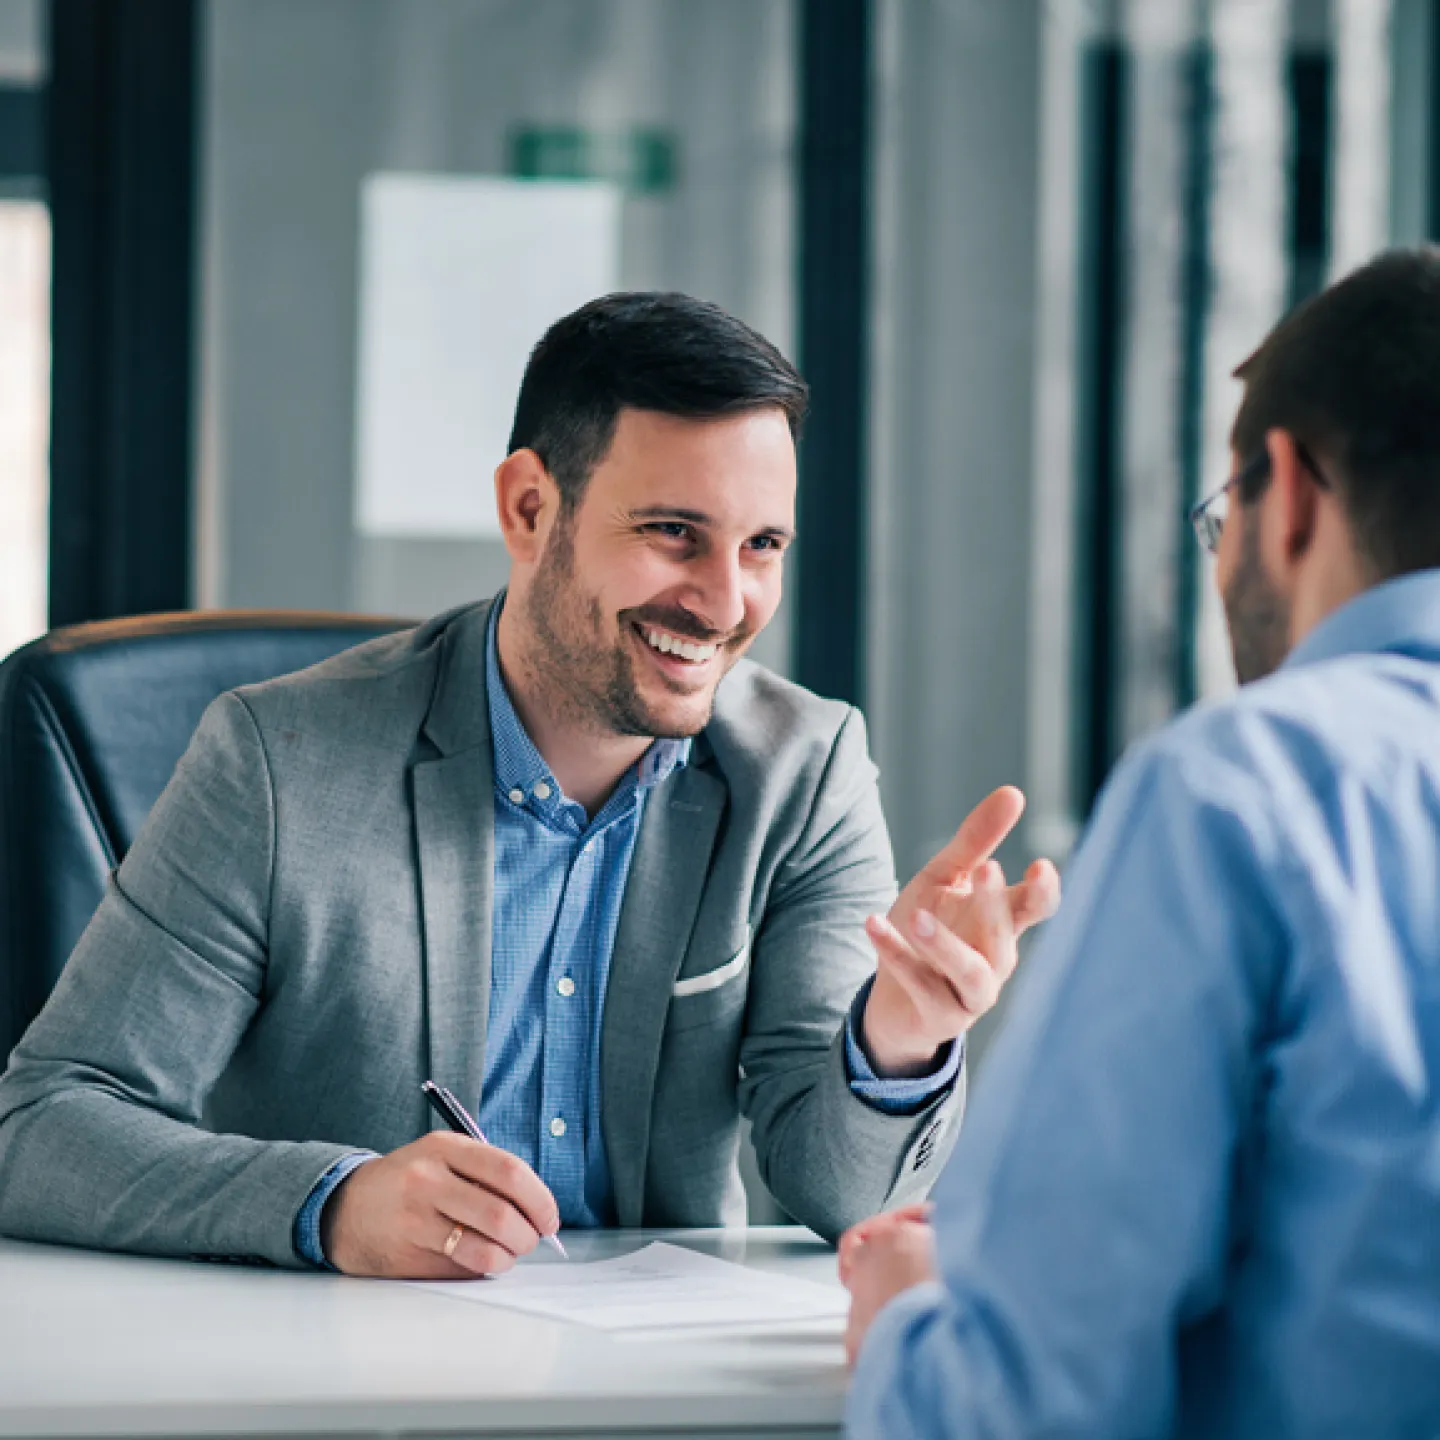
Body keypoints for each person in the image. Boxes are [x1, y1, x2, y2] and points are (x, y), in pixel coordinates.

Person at [0, 292, 1057, 1278]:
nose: (724, 601)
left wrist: (901, 1037)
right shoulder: (277, 763)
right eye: (673, 533)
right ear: (529, 509)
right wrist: (333, 1203)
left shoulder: (803, 772)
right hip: (350, 1385)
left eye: (762, 546)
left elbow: (840, 1195)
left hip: (648, 1402)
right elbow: (42, 1128)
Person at [841, 248, 1440, 1438]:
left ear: (1293, 492)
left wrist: (907, 1327)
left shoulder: (1245, 788)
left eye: (1223, 513)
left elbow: (1029, 1410)